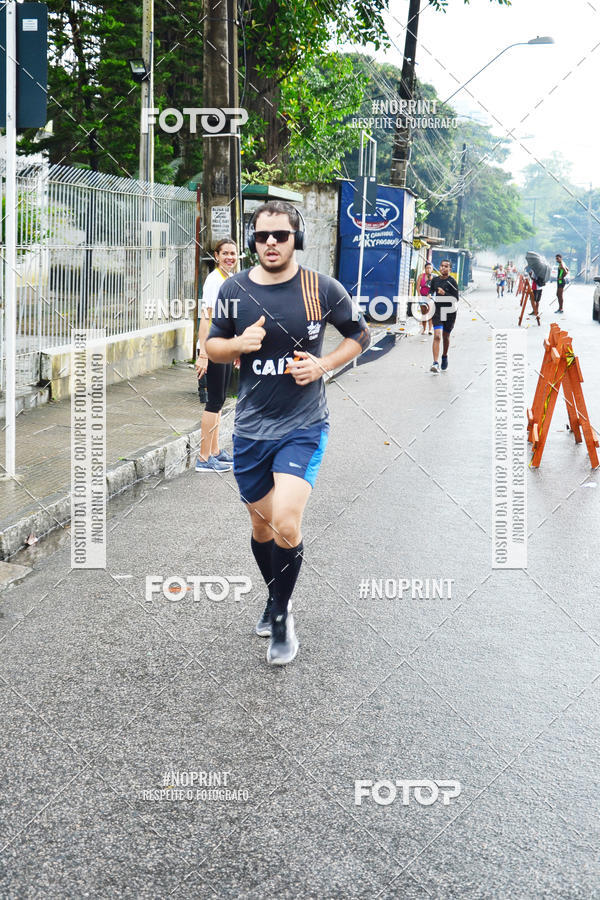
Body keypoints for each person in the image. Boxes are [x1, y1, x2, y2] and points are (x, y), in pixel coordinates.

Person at [206, 200, 370, 665]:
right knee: (261, 524)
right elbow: (212, 346)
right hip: (253, 429)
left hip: (304, 425)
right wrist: (238, 344)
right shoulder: (234, 290)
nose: (271, 243)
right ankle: (276, 594)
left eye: (280, 235)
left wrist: (325, 365)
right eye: (262, 236)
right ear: (253, 240)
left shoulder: (322, 288)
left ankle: (281, 615)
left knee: (286, 521)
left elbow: (361, 335)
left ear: (297, 238)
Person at [195, 238, 239, 472]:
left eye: (233, 253)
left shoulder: (229, 279)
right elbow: (206, 318)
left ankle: (214, 451)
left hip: (225, 346)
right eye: (225, 254)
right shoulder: (213, 281)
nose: (230, 257)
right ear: (216, 256)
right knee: (213, 402)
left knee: (220, 400)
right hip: (212, 347)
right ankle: (203, 458)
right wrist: (203, 353)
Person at [428, 259, 459, 374]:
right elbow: (431, 292)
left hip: (450, 312)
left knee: (446, 337)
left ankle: (444, 356)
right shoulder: (435, 280)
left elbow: (456, 299)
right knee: (437, 336)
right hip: (437, 311)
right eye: (441, 266)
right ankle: (435, 363)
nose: (443, 268)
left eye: (446, 266)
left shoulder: (452, 282)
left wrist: (444, 293)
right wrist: (429, 296)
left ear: (450, 269)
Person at [417, 262, 434, 335]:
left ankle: (430, 329)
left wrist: (430, 294)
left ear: (432, 269)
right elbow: (417, 287)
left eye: (430, 268)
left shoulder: (434, 277)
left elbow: (435, 288)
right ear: (425, 268)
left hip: (430, 297)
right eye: (427, 268)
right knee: (424, 313)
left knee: (429, 313)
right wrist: (419, 295)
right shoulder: (421, 276)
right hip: (422, 296)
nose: (428, 269)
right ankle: (424, 329)